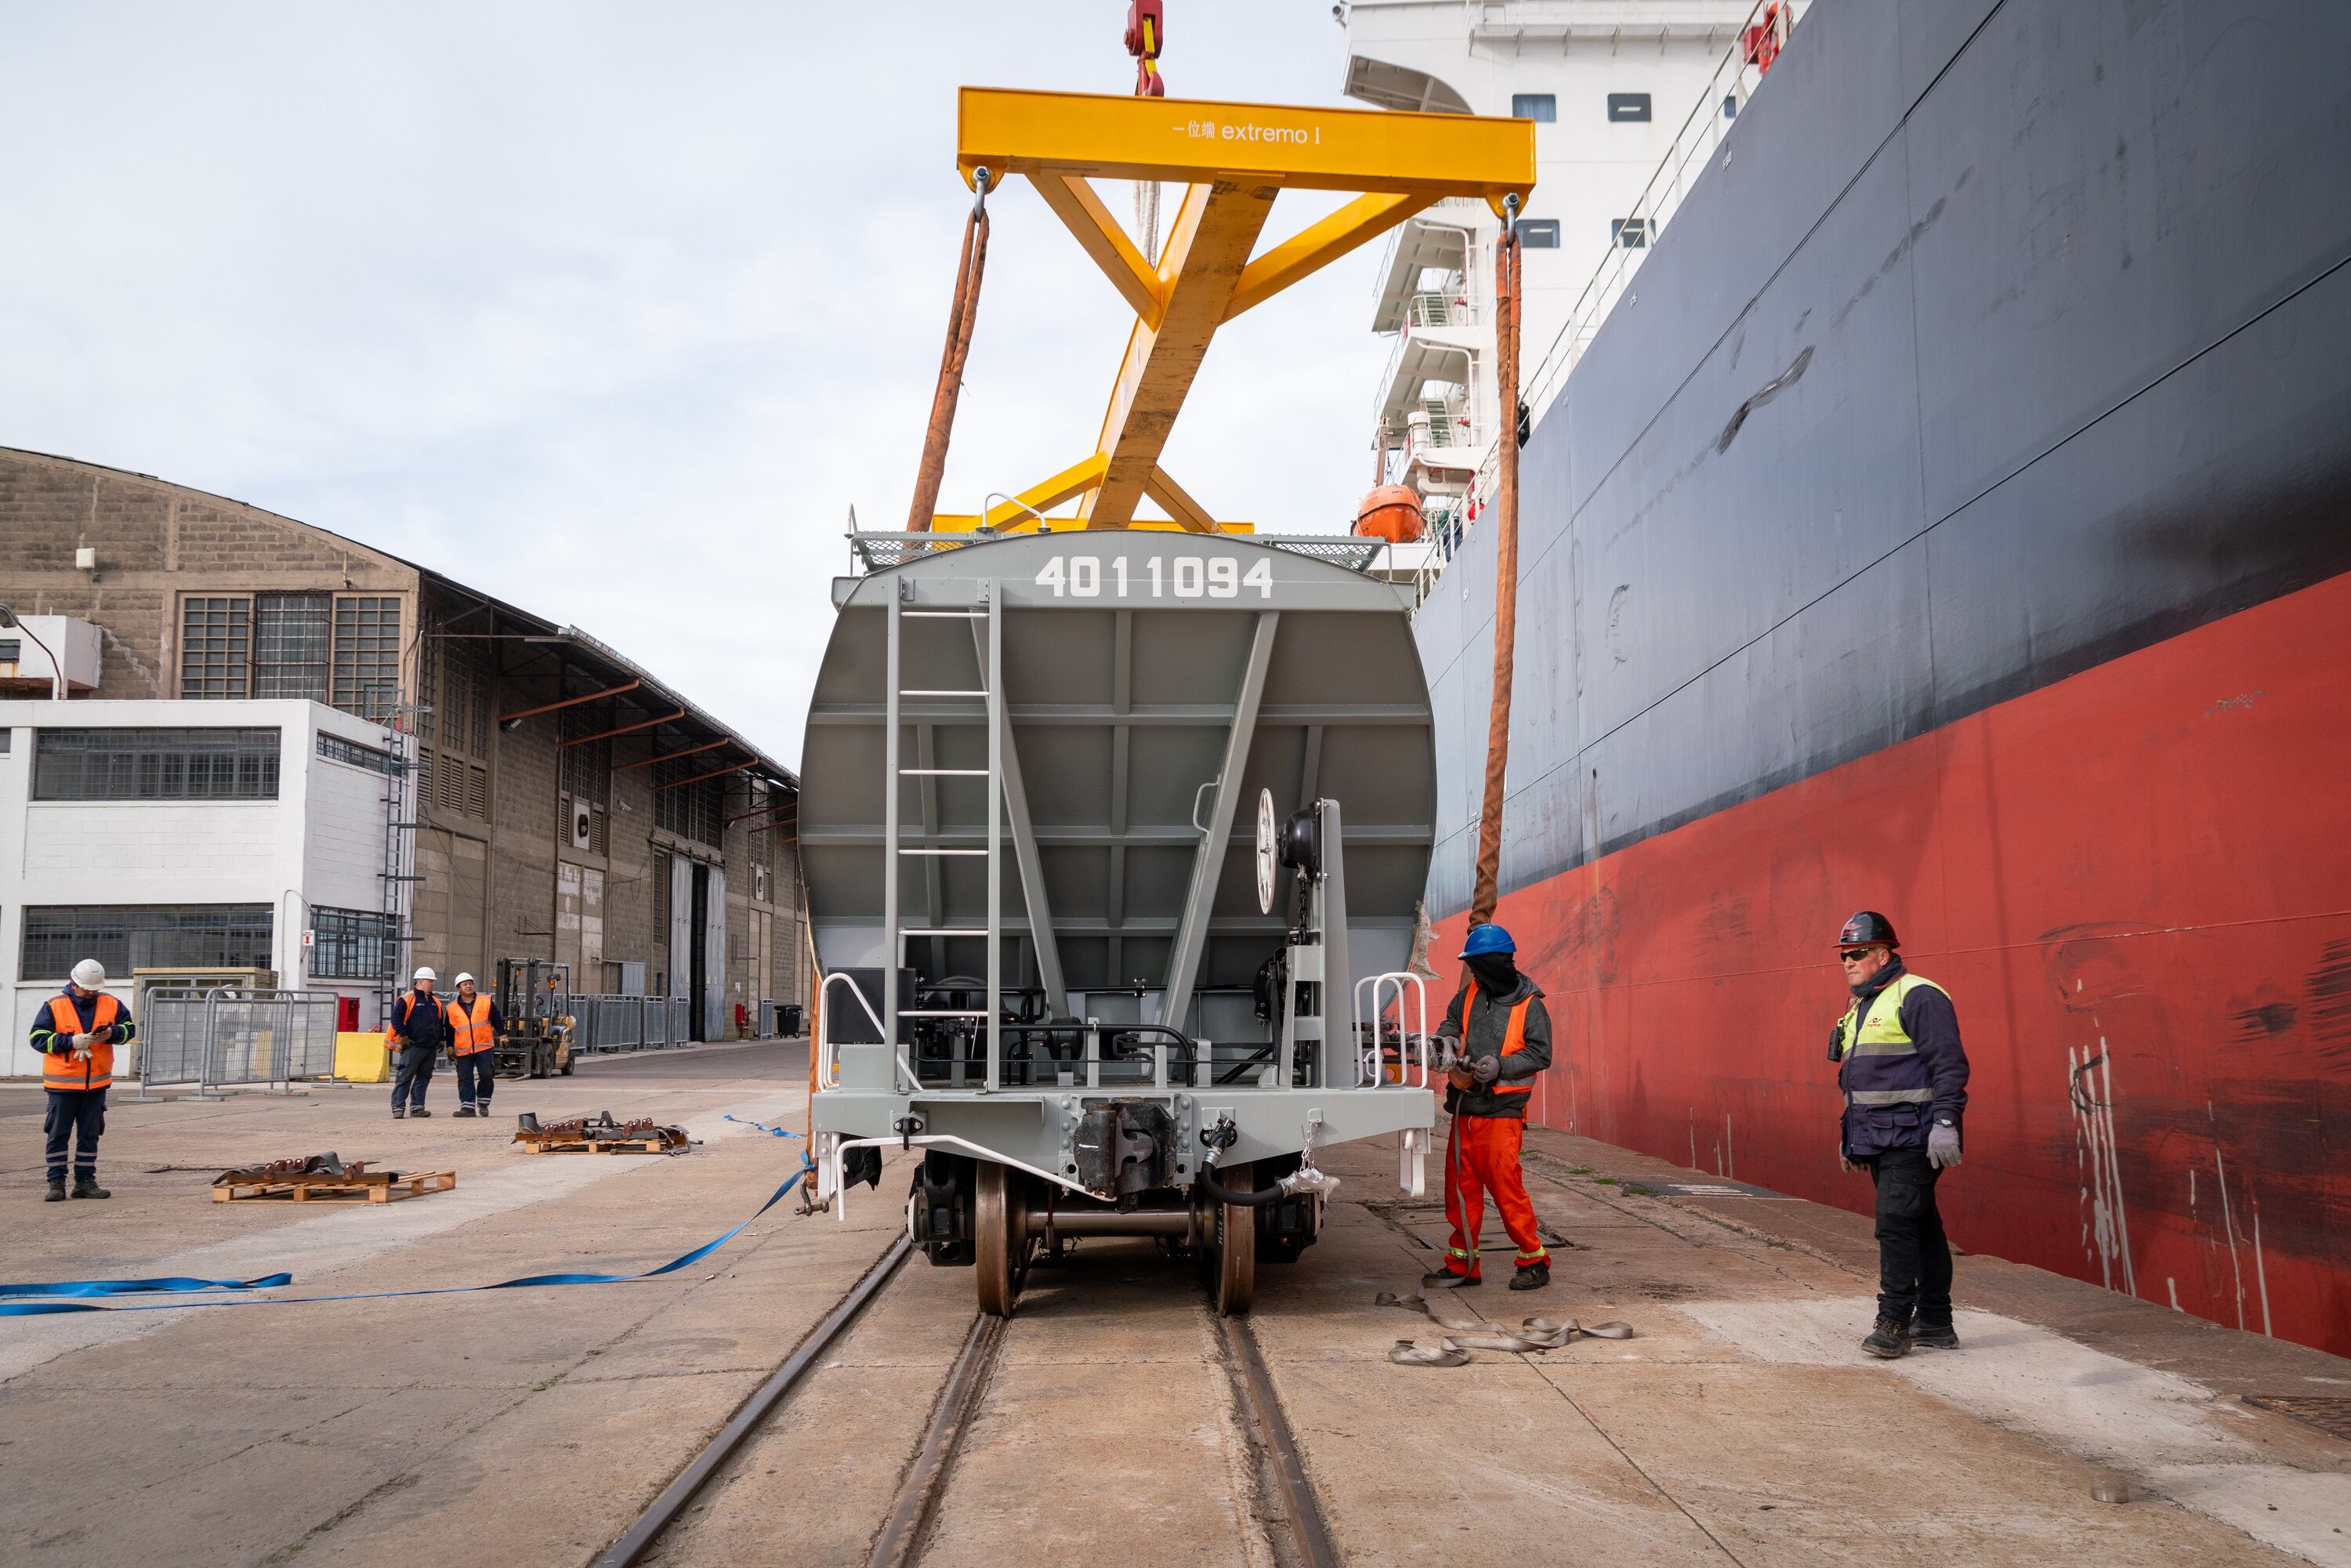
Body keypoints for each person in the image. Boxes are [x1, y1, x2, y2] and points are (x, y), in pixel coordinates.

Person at [1829, 911, 1970, 1358]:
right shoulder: (1862, 1005)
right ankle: (1935, 1321)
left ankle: (1893, 1322)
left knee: (1893, 1224)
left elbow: (1949, 1065)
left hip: (1915, 1136)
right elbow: (1855, 1082)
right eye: (1844, 955)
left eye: (1858, 953)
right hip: (1877, 1138)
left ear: (1884, 953)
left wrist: (1946, 1123)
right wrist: (1848, 1135)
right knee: (1922, 1226)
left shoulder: (1919, 996)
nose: (1848, 961)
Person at [1425, 922, 1555, 1291]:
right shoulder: (1469, 994)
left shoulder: (1531, 1006)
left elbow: (1540, 1054)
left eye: (1480, 964)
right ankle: (1462, 1264)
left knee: (1506, 1189)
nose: (1477, 972)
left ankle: (1534, 1260)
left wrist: (1501, 1066)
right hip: (1466, 1109)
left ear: (1500, 961)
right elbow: (1451, 1020)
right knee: (1460, 1190)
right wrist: (1447, 1038)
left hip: (1502, 1113)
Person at [31, 958, 135, 1201]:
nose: (90, 993)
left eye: (94, 989)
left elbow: (129, 1028)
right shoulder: (54, 1005)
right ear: (74, 983)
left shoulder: (110, 1002)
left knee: (90, 1135)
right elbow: (37, 1039)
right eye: (86, 988)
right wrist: (70, 1042)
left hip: (96, 1085)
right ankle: (56, 1183)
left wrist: (113, 1033)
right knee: (58, 1135)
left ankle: (85, 1182)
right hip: (62, 1086)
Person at [387, 966, 451, 1119]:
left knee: (424, 1077)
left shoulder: (435, 1001)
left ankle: (417, 1107)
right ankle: (398, 1107)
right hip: (413, 1046)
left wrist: (441, 1038)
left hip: (430, 1047)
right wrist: (403, 1035)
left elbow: (439, 1021)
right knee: (405, 1076)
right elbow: (396, 1018)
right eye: (430, 981)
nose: (433, 983)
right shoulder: (407, 999)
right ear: (420, 982)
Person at [444, 972, 503, 1119]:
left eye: (470, 983)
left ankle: (483, 1102)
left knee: (487, 1075)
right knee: (465, 1077)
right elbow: (449, 1029)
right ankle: (467, 1107)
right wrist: (449, 1046)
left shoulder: (485, 1000)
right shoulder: (451, 1008)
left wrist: (503, 1033)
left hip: (483, 1046)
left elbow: (496, 1017)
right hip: (463, 1048)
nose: (468, 986)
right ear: (459, 989)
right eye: (465, 984)